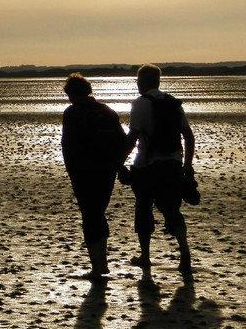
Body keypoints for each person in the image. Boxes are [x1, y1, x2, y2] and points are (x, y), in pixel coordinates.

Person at [122, 64, 195, 273]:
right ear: (158, 81)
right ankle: (184, 253)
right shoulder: (173, 103)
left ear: (141, 82)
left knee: (143, 208)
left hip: (146, 165)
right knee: (172, 209)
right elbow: (188, 136)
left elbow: (133, 137)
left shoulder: (140, 104)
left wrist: (118, 161)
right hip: (172, 164)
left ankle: (145, 256)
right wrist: (187, 165)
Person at [61, 72, 126, 280]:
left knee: (90, 215)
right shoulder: (107, 111)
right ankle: (103, 263)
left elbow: (68, 145)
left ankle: (96, 267)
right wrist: (119, 166)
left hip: (83, 171)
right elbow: (122, 141)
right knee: (98, 212)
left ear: (71, 94)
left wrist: (71, 170)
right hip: (106, 170)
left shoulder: (72, 112)